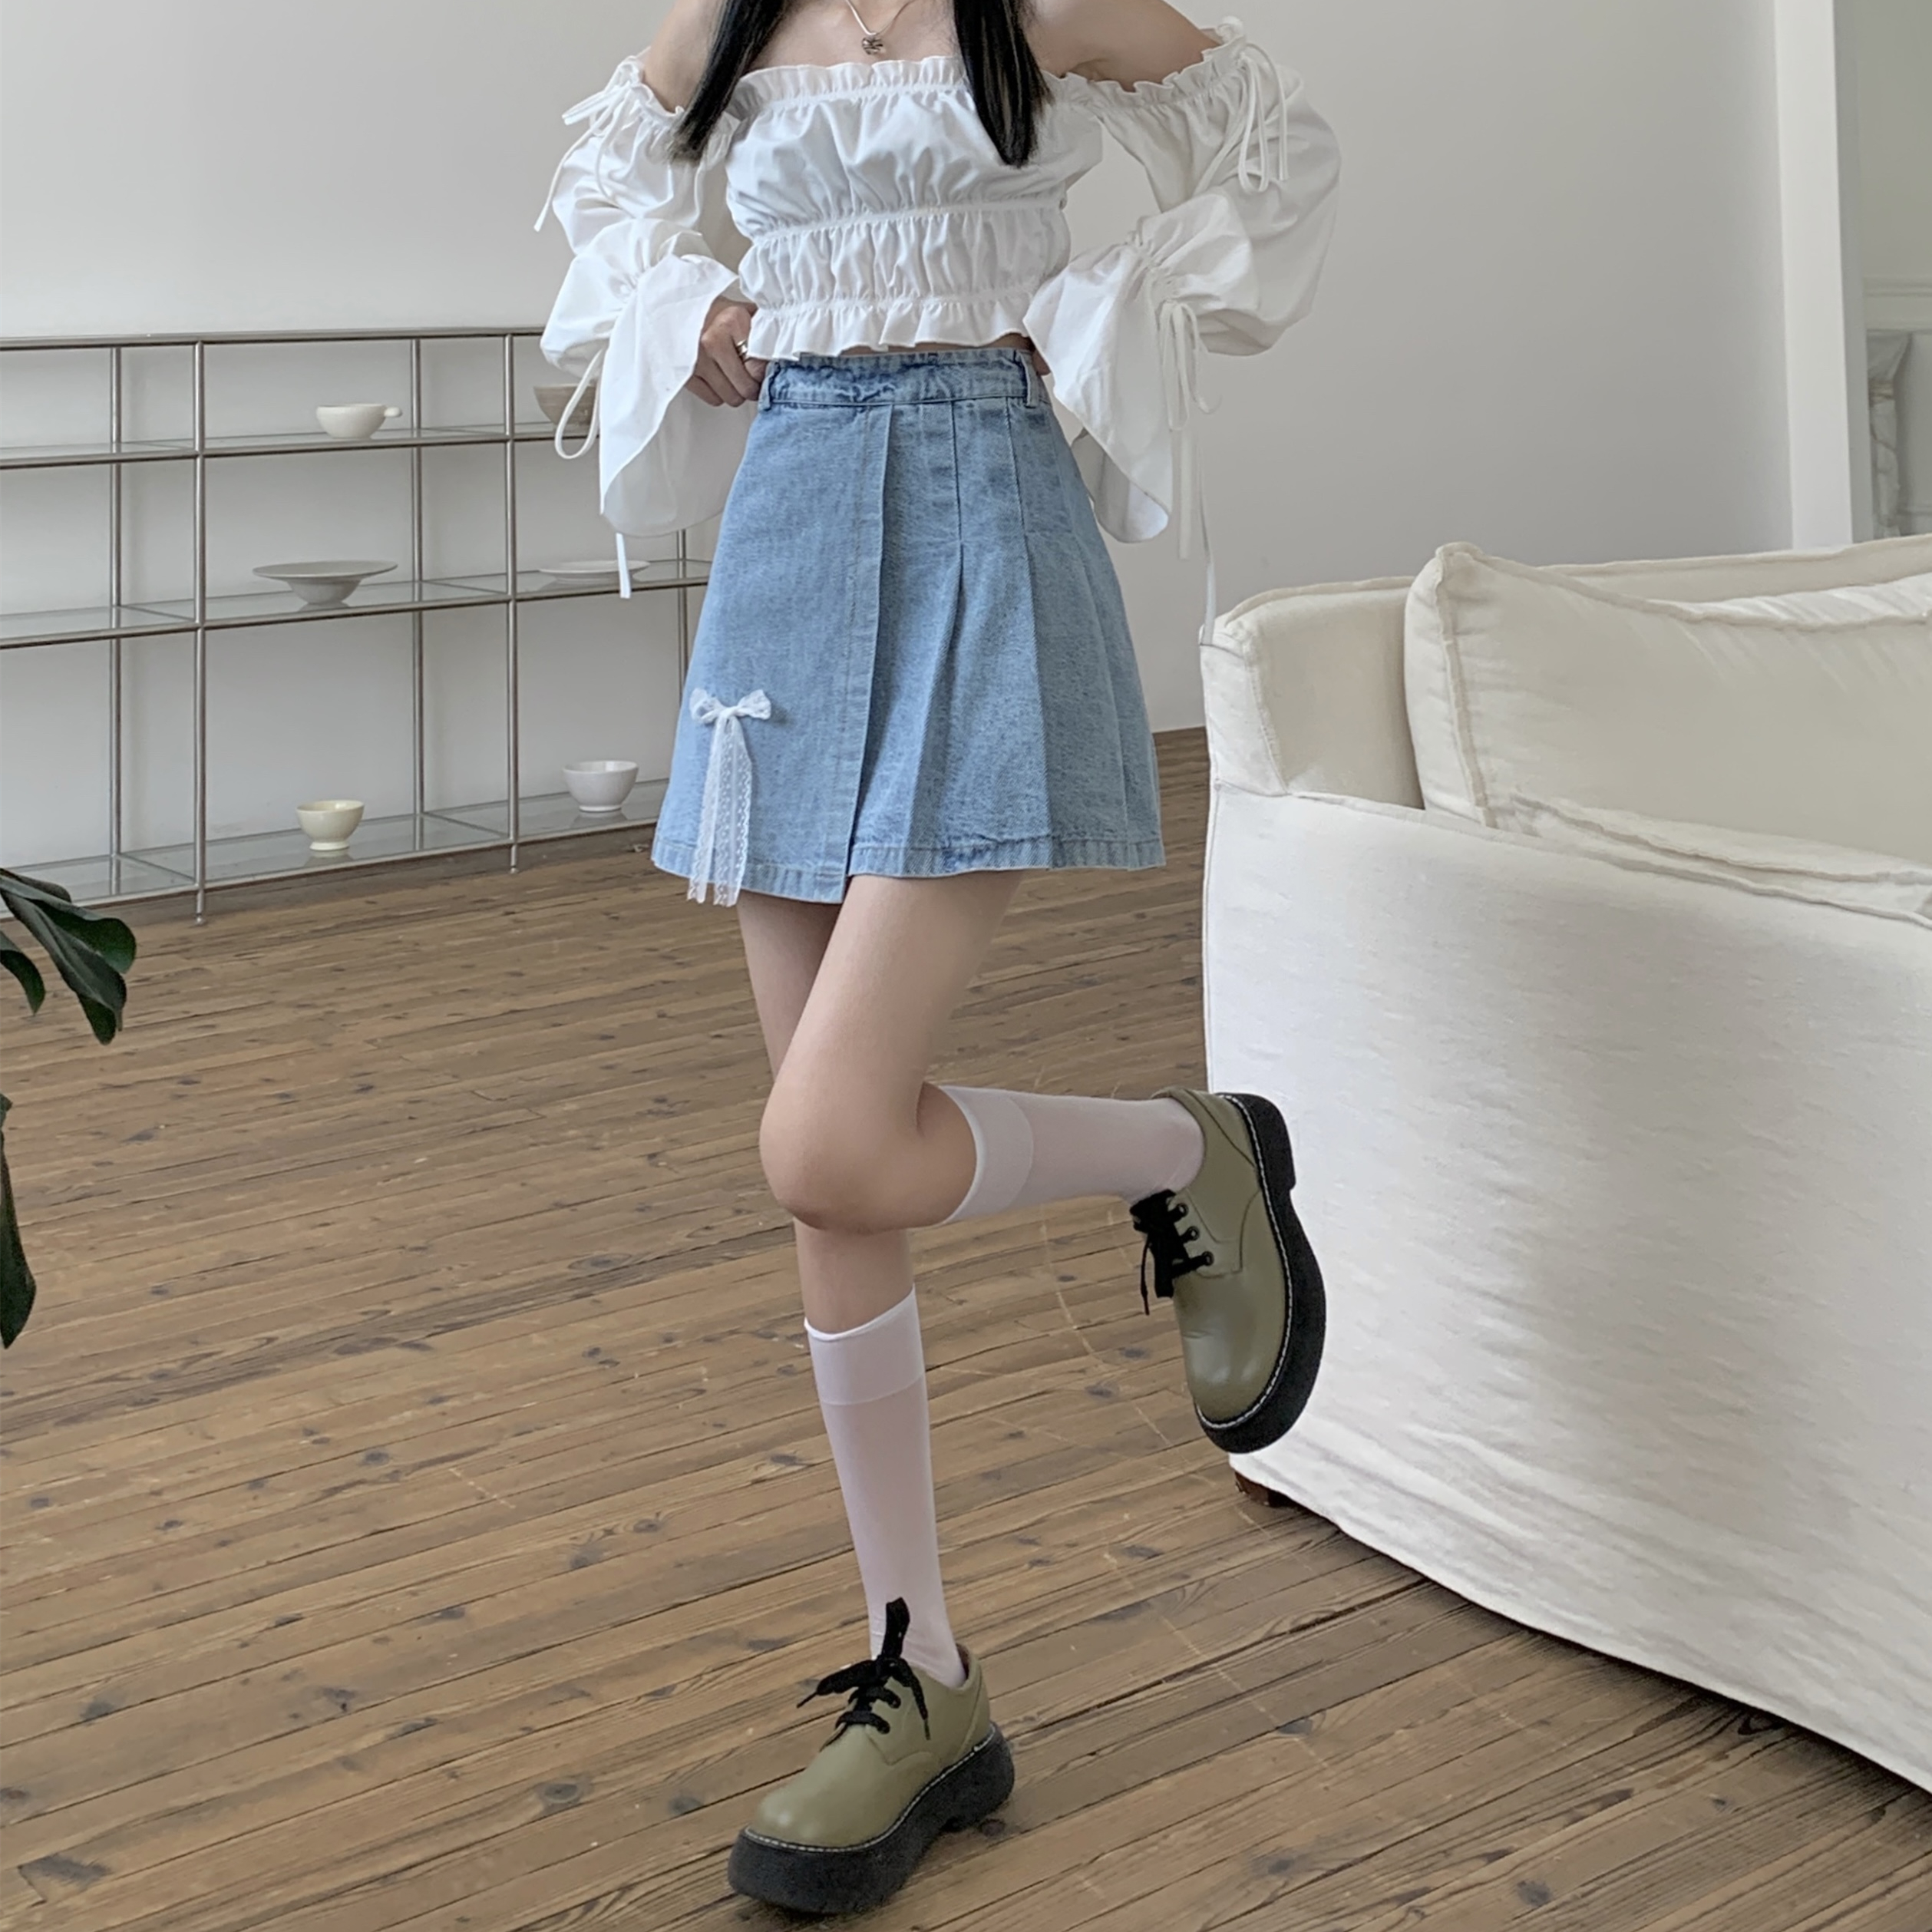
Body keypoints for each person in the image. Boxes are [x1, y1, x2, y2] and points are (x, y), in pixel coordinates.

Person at [537, 0, 1339, 1911]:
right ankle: (923, 1670)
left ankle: (1191, 1152)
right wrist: (684, 308)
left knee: (823, 1136)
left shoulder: (1034, 6)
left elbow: (1276, 149)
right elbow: (595, 179)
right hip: (786, 532)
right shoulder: (735, 17)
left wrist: (1103, 311)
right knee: (837, 1183)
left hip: (986, 505)